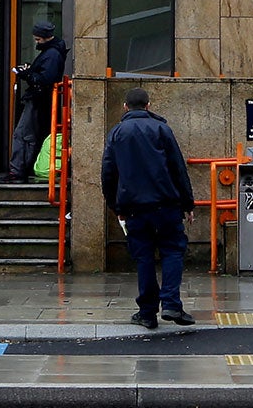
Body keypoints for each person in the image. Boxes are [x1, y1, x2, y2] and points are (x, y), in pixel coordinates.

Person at [101, 86, 196, 329]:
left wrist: (115, 206)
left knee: (143, 258)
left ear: (125, 107)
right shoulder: (162, 129)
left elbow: (108, 174)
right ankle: (172, 303)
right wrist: (187, 203)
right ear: (148, 105)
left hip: (133, 208)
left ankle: (147, 312)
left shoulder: (116, 133)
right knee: (173, 251)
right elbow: (177, 168)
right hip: (166, 205)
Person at [4, 18, 68, 183]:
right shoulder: (52, 52)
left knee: (23, 135)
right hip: (42, 100)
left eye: (38, 39)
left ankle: (17, 172)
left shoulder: (51, 54)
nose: (36, 41)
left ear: (46, 37)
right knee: (28, 135)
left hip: (38, 99)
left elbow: (45, 79)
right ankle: (19, 170)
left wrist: (26, 74)